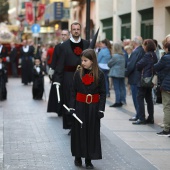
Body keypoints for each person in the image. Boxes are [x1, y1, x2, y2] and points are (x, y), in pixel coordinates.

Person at [69, 49, 106, 169]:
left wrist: (101, 109)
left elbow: (103, 93)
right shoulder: (77, 73)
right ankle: (78, 156)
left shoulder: (99, 75)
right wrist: (72, 107)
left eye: (86, 60)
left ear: (92, 61)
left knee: (91, 132)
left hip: (93, 108)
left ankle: (89, 159)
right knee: (79, 132)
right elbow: (73, 91)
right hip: (80, 107)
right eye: (82, 60)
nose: (83, 63)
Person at [54, 22, 89, 133]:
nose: (76, 31)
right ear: (71, 31)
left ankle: (82, 124)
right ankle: (72, 126)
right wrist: (57, 80)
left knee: (83, 101)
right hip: (68, 77)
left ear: (80, 30)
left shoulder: (86, 44)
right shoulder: (64, 46)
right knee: (69, 101)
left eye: (78, 29)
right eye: (74, 29)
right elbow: (60, 64)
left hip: (84, 76)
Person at [132, 39, 158, 125]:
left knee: (140, 98)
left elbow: (138, 65)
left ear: (147, 46)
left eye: (144, 45)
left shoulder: (147, 55)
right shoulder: (154, 55)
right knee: (149, 99)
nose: (143, 47)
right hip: (150, 80)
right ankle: (151, 118)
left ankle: (141, 118)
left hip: (144, 80)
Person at [47, 29, 70, 116]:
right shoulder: (58, 47)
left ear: (69, 36)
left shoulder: (72, 46)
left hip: (69, 72)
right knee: (58, 91)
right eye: (62, 35)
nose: (63, 36)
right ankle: (59, 110)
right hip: (59, 73)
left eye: (65, 35)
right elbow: (54, 60)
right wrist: (51, 70)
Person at [125, 36, 145, 121]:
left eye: (132, 41)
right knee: (137, 98)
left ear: (135, 42)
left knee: (137, 98)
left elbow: (131, 65)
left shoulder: (137, 51)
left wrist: (126, 73)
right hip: (137, 77)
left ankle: (140, 116)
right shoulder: (140, 50)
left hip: (135, 78)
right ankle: (138, 115)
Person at [154, 42, 170, 136]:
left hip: (167, 85)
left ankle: (167, 129)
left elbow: (156, 67)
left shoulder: (166, 57)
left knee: (167, 107)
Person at [108, 42, 126, 107]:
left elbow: (109, 64)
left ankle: (117, 101)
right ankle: (123, 100)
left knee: (116, 88)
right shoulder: (123, 55)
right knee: (122, 87)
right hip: (122, 73)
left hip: (115, 74)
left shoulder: (115, 56)